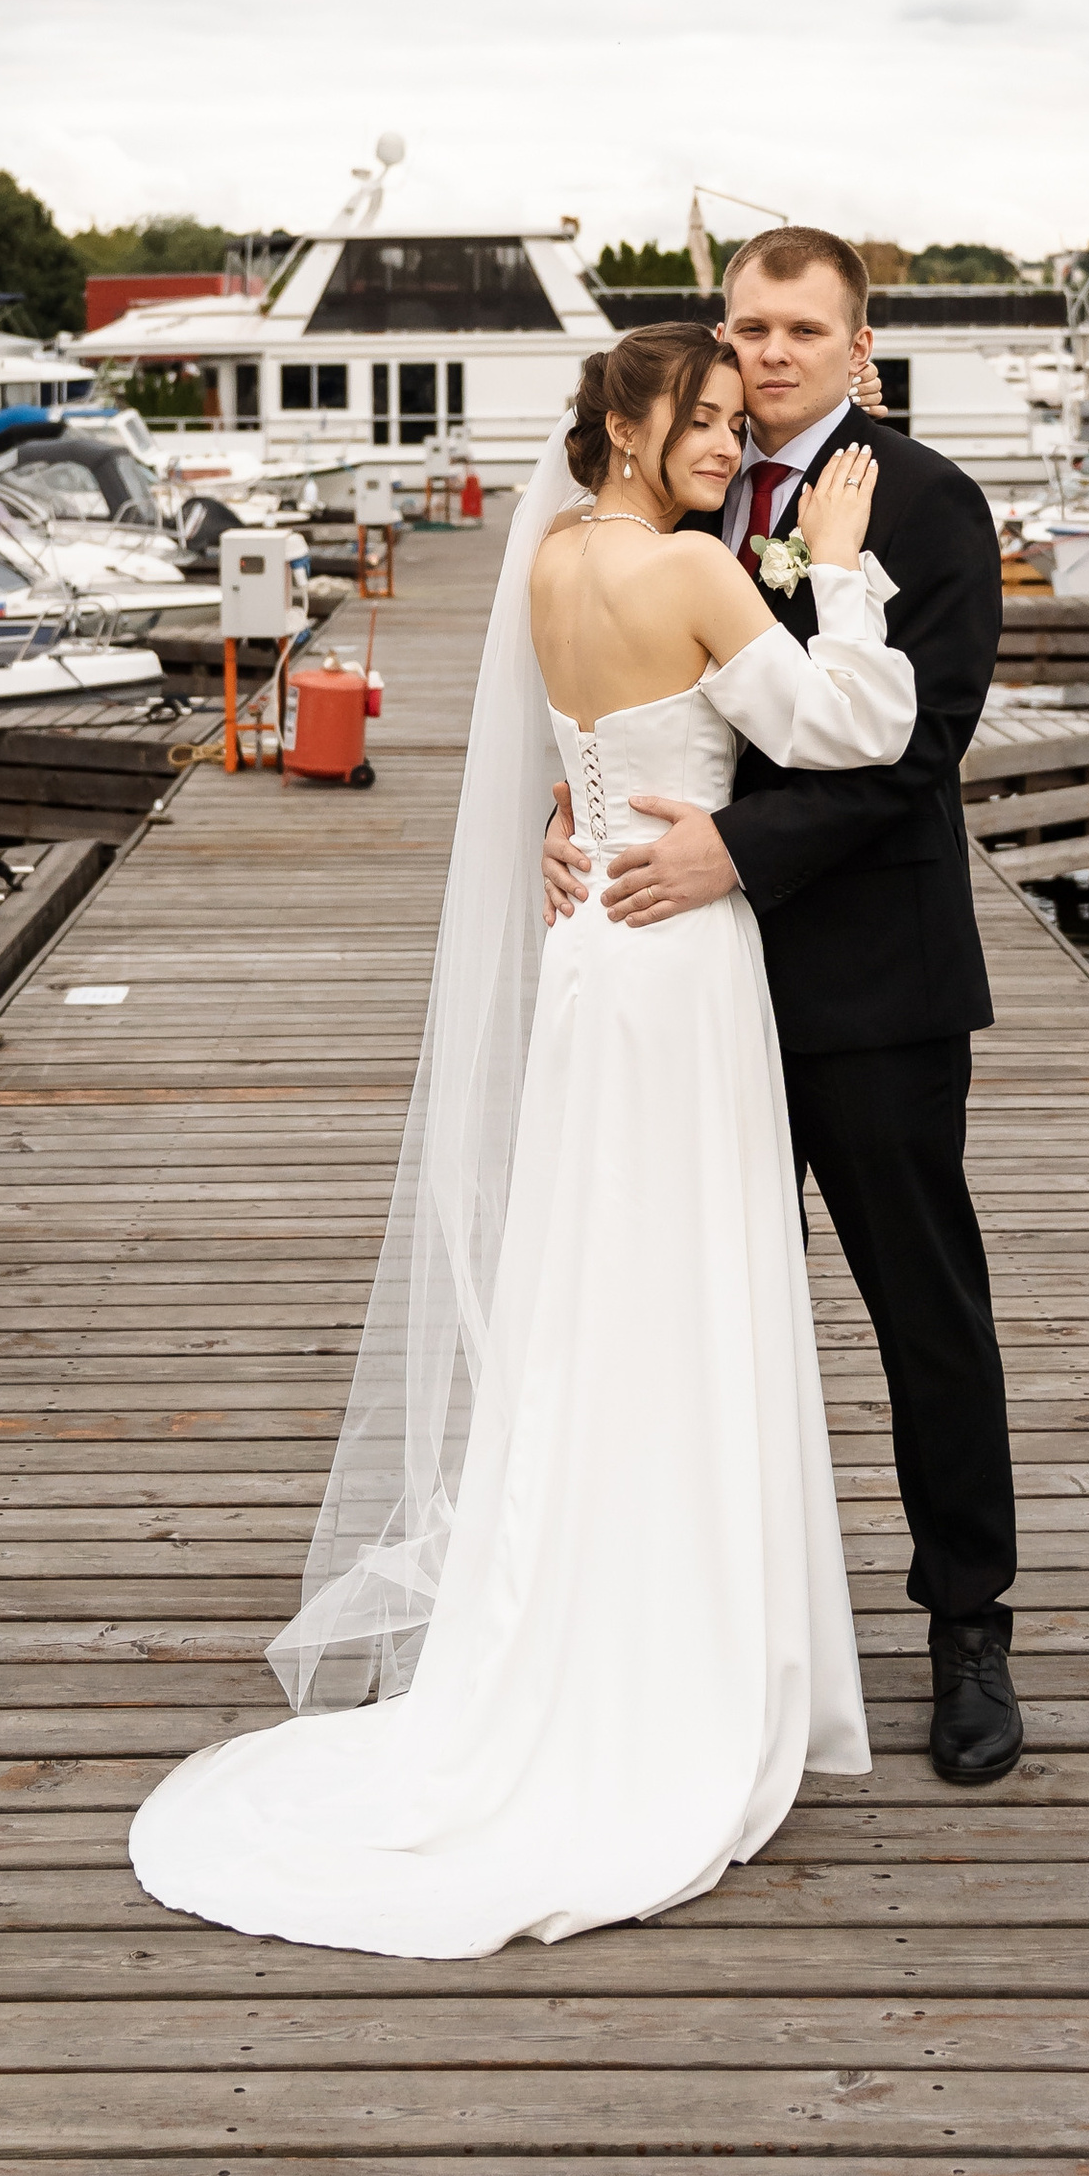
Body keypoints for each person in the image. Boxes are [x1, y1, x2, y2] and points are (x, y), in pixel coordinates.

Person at [128, 326, 917, 1958]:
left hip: (588, 959)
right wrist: (838, 572)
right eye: (699, 421)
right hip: (683, 964)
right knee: (679, 1290)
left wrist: (574, 821)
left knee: (589, 1290)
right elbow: (853, 730)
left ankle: (578, 1607)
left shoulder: (554, 559)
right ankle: (673, 1651)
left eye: (728, 419)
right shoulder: (698, 575)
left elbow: (585, 758)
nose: (723, 441)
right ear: (630, 429)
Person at [546, 223, 1020, 1786]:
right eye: (745, 326)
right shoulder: (686, 498)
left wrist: (731, 855)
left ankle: (967, 1631)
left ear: (857, 340)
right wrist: (584, 822)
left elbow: (916, 750)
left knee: (922, 1315)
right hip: (689, 993)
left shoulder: (929, 503)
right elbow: (637, 703)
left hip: (866, 986)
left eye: (799, 329)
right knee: (691, 1310)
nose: (766, 353)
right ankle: (694, 1626)